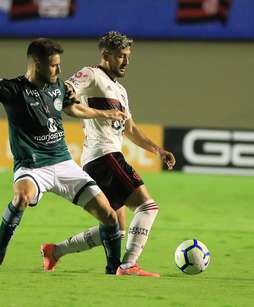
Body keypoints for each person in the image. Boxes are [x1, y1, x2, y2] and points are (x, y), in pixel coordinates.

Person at [0, 38, 127, 274]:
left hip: (64, 163)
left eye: (59, 64)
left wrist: (104, 113)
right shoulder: (13, 89)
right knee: (21, 197)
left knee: (109, 216)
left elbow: (74, 108)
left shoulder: (57, 86)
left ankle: (113, 269)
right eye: (53, 65)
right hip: (32, 166)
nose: (58, 70)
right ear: (37, 63)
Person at [40, 31, 176, 277]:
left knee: (116, 226)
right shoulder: (92, 75)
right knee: (148, 207)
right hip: (104, 156)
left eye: (128, 56)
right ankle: (128, 265)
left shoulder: (120, 90)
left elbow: (131, 129)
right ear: (105, 55)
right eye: (121, 56)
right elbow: (66, 89)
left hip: (102, 159)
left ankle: (54, 251)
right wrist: (73, 96)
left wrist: (158, 150)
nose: (126, 61)